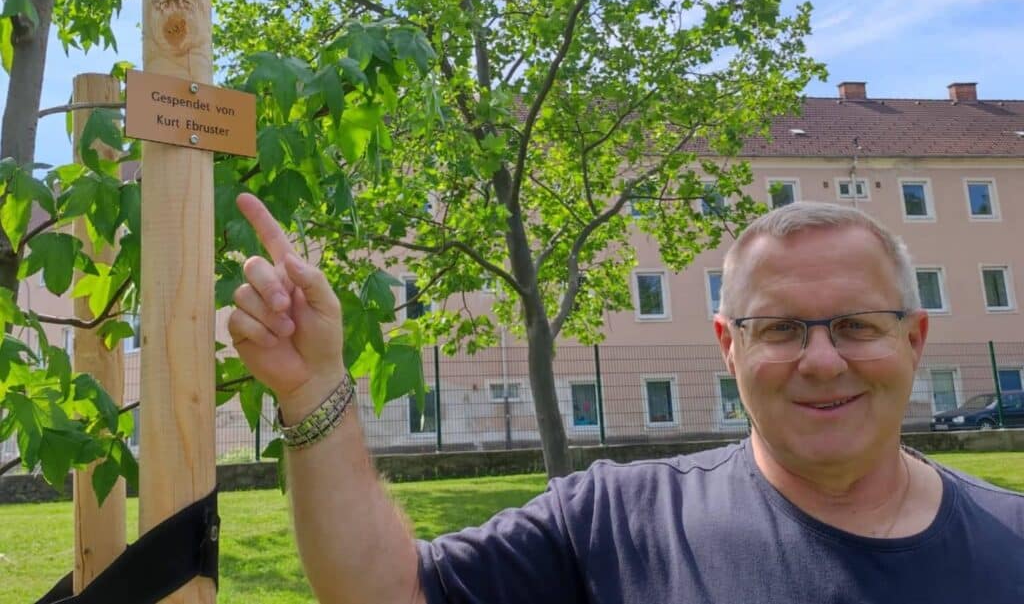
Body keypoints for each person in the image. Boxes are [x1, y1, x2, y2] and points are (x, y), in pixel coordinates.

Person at [228, 195, 1024, 603]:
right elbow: (385, 593)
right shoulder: (615, 522)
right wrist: (314, 389)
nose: (820, 360)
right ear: (729, 344)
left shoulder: (1013, 539)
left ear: (914, 339)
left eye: (854, 324)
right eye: (780, 328)